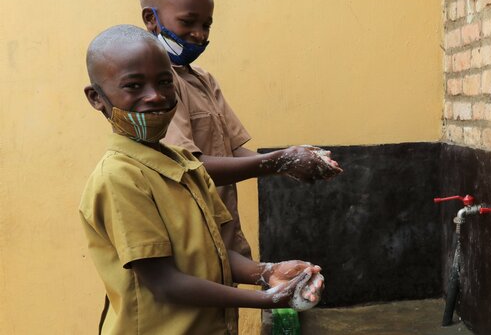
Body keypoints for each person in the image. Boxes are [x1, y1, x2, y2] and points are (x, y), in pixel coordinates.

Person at [80, 25, 324, 335]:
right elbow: (166, 284)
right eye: (133, 86)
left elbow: (218, 254)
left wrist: (268, 272)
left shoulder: (185, 165)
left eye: (165, 82)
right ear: (96, 98)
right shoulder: (119, 178)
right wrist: (269, 299)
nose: (154, 96)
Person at [139, 0, 342, 259]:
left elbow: (234, 151)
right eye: (188, 22)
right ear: (151, 19)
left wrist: (292, 160)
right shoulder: (160, 89)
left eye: (207, 25)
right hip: (188, 241)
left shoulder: (203, 80)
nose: (199, 34)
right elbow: (191, 168)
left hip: (221, 237)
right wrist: (280, 162)